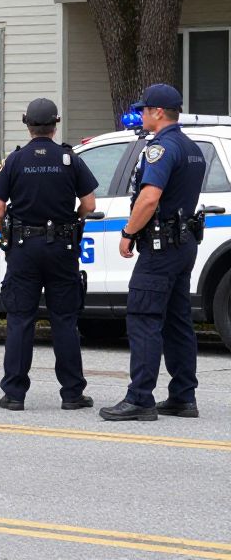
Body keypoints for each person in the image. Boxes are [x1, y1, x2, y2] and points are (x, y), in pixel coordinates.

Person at [100, 84, 206, 421]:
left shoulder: (160, 148)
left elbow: (149, 198)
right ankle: (182, 396)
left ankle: (140, 398)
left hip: (160, 247)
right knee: (177, 321)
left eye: (145, 109)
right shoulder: (193, 148)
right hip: (183, 244)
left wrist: (128, 233)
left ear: (158, 112)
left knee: (144, 317)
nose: (141, 114)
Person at [0, 98, 98, 411]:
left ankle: (14, 394)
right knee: (64, 319)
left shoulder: (15, 160)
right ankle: (72, 394)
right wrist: (72, 220)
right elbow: (89, 204)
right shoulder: (69, 158)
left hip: (23, 248)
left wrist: (6, 233)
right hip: (62, 247)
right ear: (55, 124)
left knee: (21, 319)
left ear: (27, 124)